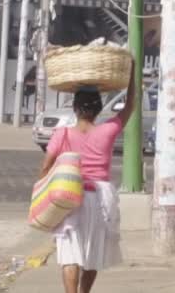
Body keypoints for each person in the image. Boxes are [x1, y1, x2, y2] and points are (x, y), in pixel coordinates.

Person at [39, 61, 136, 293]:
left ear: (75, 108)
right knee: (93, 252)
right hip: (101, 199)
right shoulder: (108, 130)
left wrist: (43, 192)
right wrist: (131, 74)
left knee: (69, 253)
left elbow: (45, 168)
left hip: (70, 196)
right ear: (99, 109)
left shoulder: (62, 134)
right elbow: (130, 106)